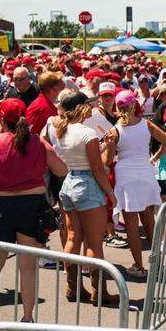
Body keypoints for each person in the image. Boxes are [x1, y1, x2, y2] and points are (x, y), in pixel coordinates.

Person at [0, 98, 69, 328]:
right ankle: (27, 318)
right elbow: (61, 169)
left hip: (0, 206)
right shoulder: (37, 141)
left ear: (2, 119)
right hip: (31, 207)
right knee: (27, 266)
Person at [52, 90, 119, 306]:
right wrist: (110, 193)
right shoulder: (87, 134)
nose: (92, 106)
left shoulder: (63, 130)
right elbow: (98, 168)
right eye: (88, 104)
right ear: (81, 107)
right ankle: (99, 292)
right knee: (94, 242)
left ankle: (73, 288)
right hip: (87, 185)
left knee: (73, 238)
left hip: (70, 183)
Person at [104, 90, 166, 277]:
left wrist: (109, 146)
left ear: (118, 107)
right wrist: (154, 158)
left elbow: (108, 160)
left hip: (126, 177)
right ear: (134, 105)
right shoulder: (146, 124)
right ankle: (158, 265)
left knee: (132, 224)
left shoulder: (114, 131)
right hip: (146, 174)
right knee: (149, 221)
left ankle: (139, 267)